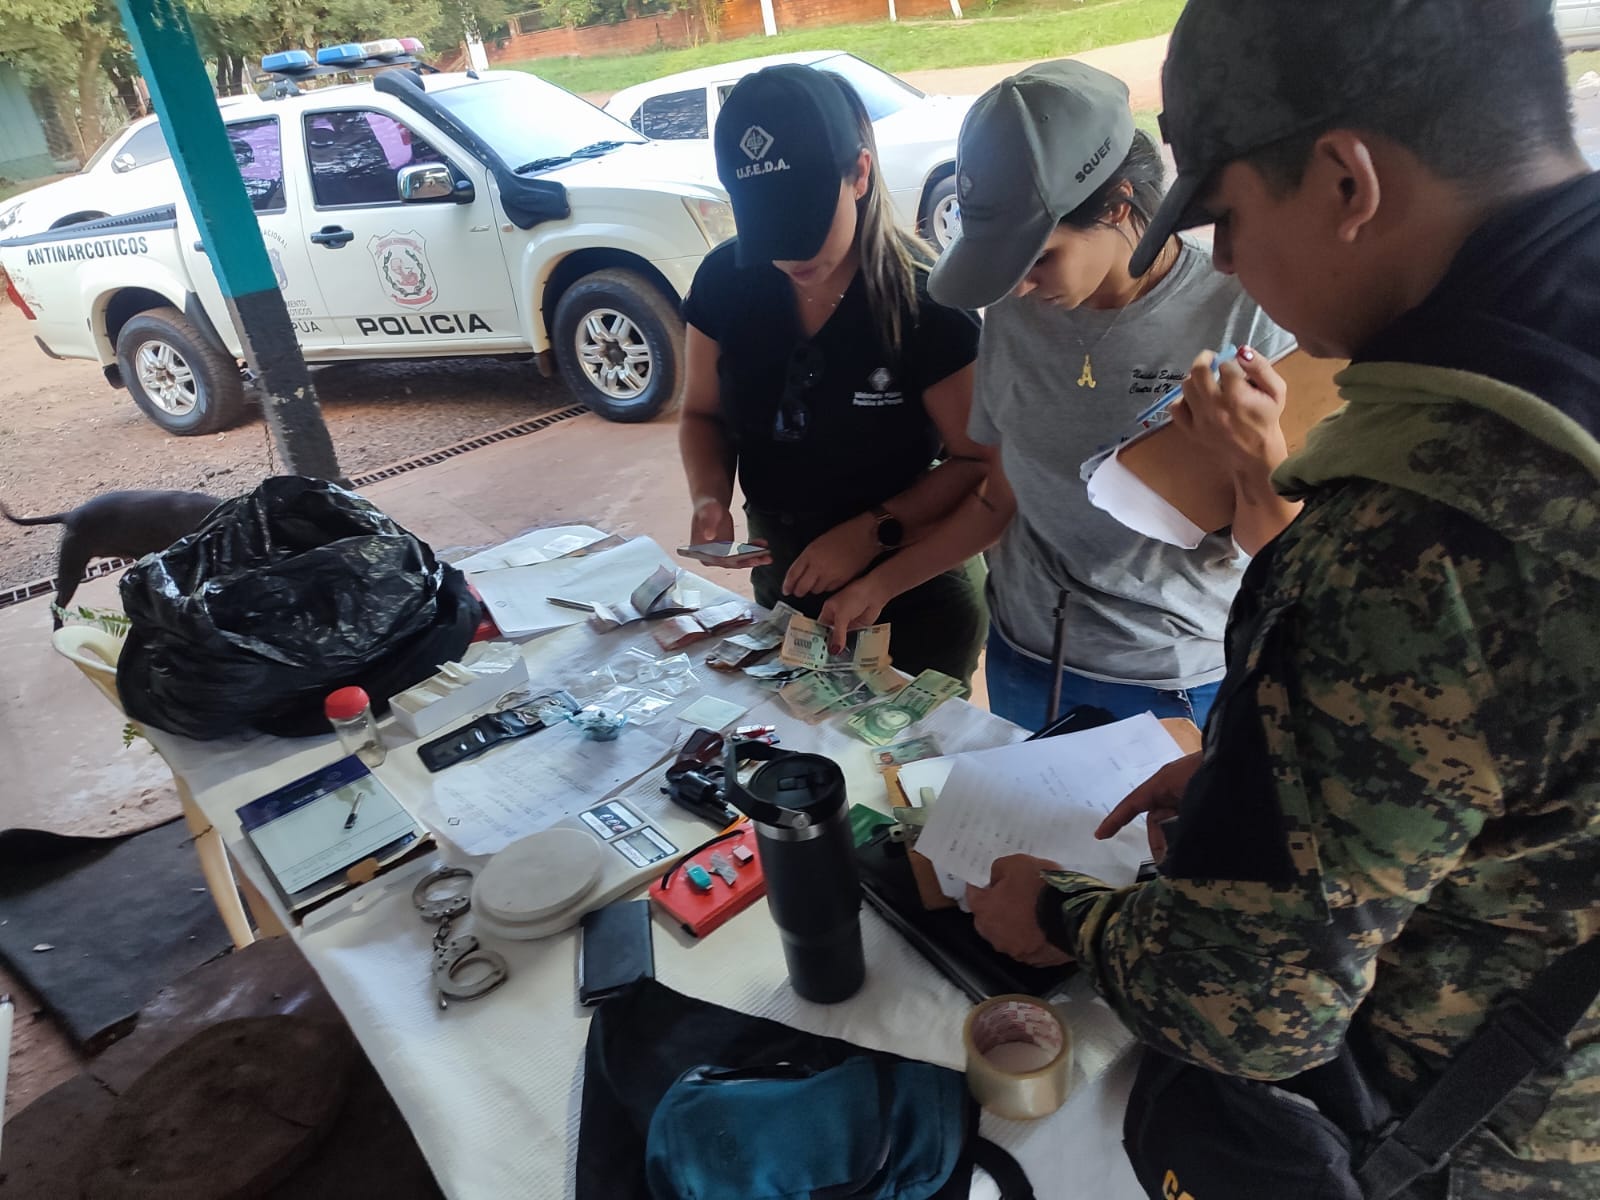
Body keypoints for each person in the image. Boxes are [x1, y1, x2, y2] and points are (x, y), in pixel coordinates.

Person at [967, 1, 1599, 1194]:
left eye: (1228, 219)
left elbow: (1254, 1009)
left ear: (1345, 181)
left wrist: (1058, 917)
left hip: (1491, 1142)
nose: (1232, 264)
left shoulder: (1419, 538)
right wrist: (1256, 780)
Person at [818, 61, 1296, 731]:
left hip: (1170, 685)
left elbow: (1278, 554)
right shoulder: (1017, 309)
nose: (1018, 287)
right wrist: (880, 583)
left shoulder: (1244, 316)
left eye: (1039, 258)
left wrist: (1256, 457)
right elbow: (1003, 495)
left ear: (1122, 205)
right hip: (1027, 662)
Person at [677, 65, 991, 685]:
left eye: (804, 223)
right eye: (768, 225)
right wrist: (709, 494)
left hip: (913, 591)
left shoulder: (927, 302)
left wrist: (873, 532)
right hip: (788, 581)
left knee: (901, 773)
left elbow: (978, 465)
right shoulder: (726, 282)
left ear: (860, 175)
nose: (789, 254)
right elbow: (702, 413)